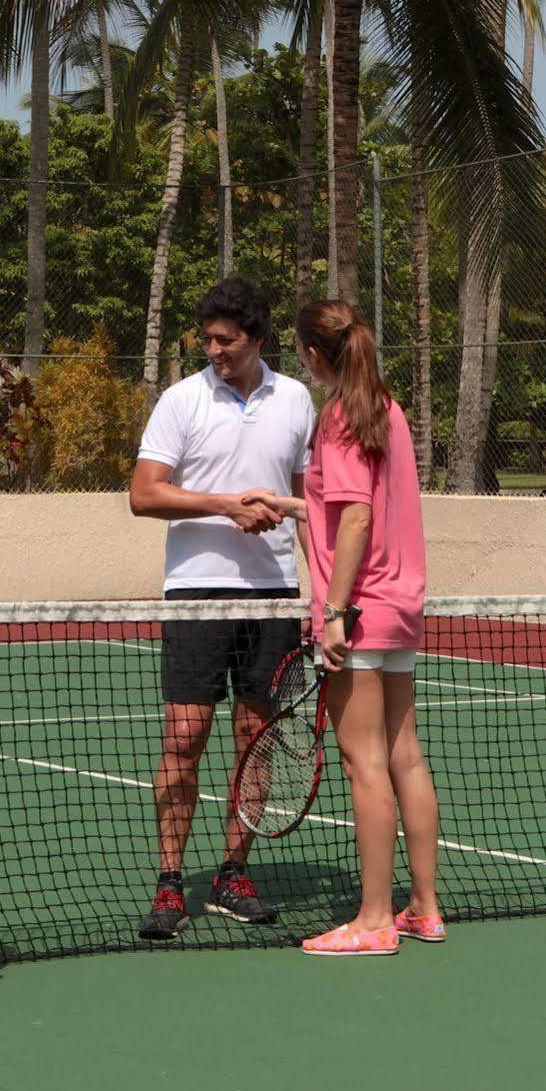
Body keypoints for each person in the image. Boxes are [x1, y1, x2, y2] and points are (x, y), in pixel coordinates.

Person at [246, 299, 443, 956]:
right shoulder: (388, 412)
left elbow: (356, 518)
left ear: (309, 354)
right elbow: (350, 506)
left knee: (365, 765)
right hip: (400, 605)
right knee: (403, 755)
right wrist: (296, 505)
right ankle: (423, 909)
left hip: (358, 609)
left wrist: (332, 612)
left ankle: (371, 920)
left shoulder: (339, 417)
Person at [127, 276, 316, 940]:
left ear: (256, 339)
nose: (213, 350)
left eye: (225, 341)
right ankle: (171, 881)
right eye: (206, 339)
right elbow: (144, 495)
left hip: (274, 593)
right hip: (196, 591)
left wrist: (313, 580)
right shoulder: (180, 401)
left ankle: (234, 870)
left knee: (253, 737)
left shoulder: (295, 398)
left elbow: (305, 497)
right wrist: (225, 504)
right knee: (184, 739)